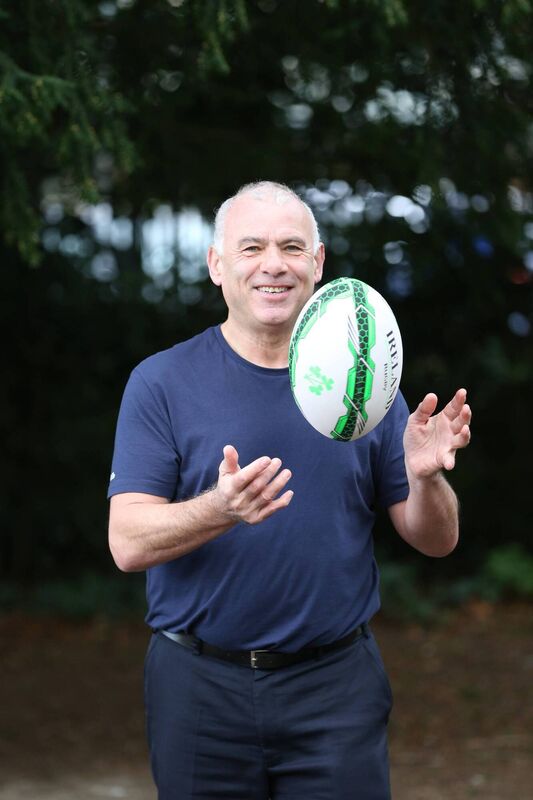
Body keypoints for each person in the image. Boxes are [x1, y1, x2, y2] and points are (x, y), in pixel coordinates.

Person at [107, 181, 471, 800]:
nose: (273, 264)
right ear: (217, 265)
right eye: (251, 247)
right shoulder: (161, 382)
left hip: (335, 688)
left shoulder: (365, 383)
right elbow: (127, 542)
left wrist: (426, 476)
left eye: (292, 247)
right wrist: (220, 509)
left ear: (318, 263)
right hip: (199, 688)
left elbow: (436, 540)